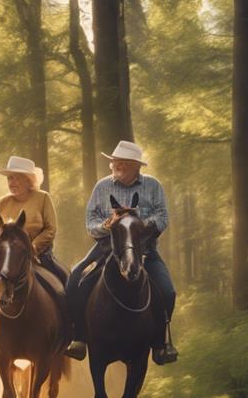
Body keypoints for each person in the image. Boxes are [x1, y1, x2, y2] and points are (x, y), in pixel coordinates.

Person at [64, 140, 179, 365]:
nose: (118, 165)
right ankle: (79, 338)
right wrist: (109, 224)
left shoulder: (153, 186)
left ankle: (160, 344)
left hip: (144, 250)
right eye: (116, 162)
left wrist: (137, 224)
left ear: (137, 166)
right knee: (74, 279)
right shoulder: (102, 187)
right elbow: (90, 222)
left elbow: (163, 218)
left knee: (167, 291)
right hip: (105, 249)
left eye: (124, 163)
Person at [0, 156, 68, 359]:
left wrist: (32, 248)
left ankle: (71, 336)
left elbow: (51, 229)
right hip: (8, 260)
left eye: (17, 178)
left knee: (64, 285)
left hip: (40, 256)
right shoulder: (1, 203)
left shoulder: (43, 198)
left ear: (29, 180)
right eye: (9, 178)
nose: (12, 183)